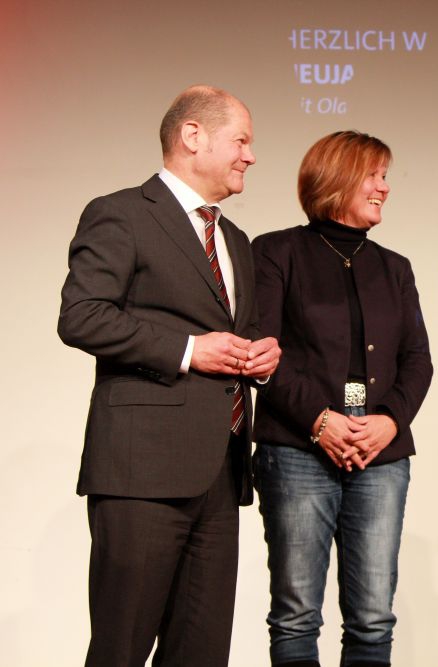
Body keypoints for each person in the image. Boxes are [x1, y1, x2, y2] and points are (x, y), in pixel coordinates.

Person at [57, 84, 281, 666]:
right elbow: (81, 316)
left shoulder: (234, 239)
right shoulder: (123, 213)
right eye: (241, 141)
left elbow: (240, 330)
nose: (251, 155)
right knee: (122, 647)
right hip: (143, 472)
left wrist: (259, 356)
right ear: (192, 136)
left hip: (222, 473)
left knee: (201, 652)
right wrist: (187, 351)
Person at [251, 130, 433, 667]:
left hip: (381, 457)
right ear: (337, 179)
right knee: (296, 616)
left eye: (385, 177)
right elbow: (263, 353)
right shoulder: (276, 252)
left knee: (373, 620)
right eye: (374, 176)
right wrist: (319, 420)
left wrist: (389, 421)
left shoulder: (395, 267)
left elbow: (417, 360)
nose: (384, 188)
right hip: (296, 453)